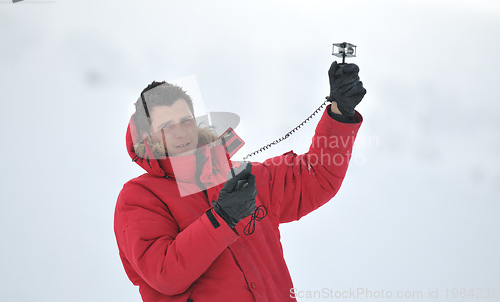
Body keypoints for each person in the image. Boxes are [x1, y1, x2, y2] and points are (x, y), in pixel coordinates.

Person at [114, 61, 366, 302]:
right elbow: (164, 275)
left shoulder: (242, 178)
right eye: (167, 126)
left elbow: (316, 176)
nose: (180, 132)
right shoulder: (139, 197)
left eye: (185, 121)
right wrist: (221, 219)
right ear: (147, 135)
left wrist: (339, 114)